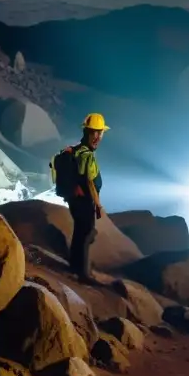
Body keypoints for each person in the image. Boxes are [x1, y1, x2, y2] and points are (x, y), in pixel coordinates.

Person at [67, 113, 108, 284]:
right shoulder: (87, 155)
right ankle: (83, 274)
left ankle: (75, 266)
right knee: (86, 233)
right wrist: (98, 205)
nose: (97, 137)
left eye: (100, 132)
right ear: (86, 132)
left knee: (80, 232)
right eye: (94, 132)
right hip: (84, 201)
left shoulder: (77, 151)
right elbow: (90, 182)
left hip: (76, 200)